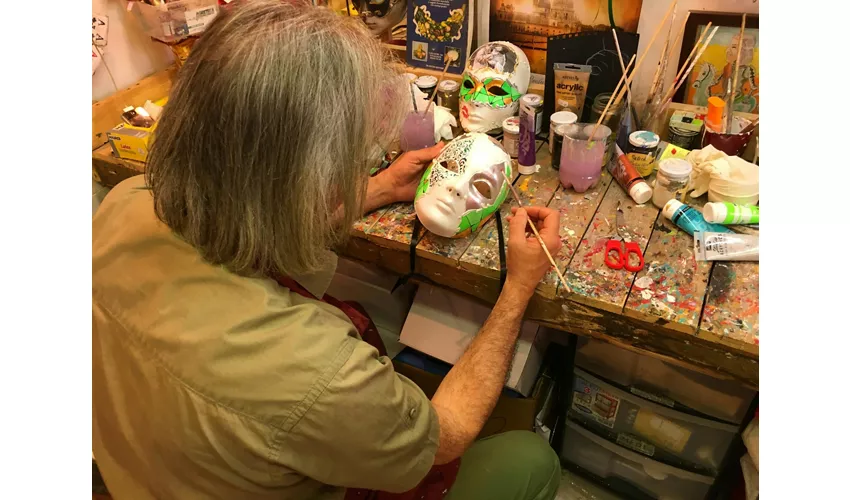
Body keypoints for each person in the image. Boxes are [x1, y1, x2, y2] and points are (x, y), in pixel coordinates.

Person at [92, 2, 562, 499]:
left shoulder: (128, 204)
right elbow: (445, 435)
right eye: (346, 164)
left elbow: (247, 207)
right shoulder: (317, 373)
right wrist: (517, 290)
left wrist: (376, 189)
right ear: (304, 178)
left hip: (146, 476)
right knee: (530, 459)